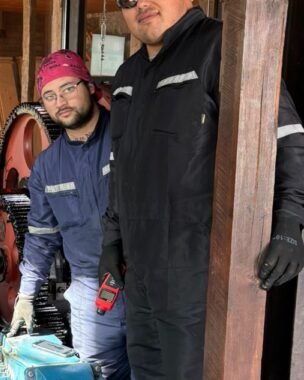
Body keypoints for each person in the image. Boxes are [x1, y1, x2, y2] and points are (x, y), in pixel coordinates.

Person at [100, 1, 304, 378]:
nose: (141, 4)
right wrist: (112, 242)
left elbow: (287, 136)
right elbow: (119, 168)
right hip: (140, 276)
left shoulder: (223, 48)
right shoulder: (127, 75)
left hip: (196, 278)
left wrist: (291, 220)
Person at [8, 50, 131, 380]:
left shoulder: (128, 136)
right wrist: (26, 295)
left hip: (145, 284)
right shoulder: (48, 167)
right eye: (49, 95)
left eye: (68, 88)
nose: (60, 100)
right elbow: (40, 236)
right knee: (96, 375)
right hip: (94, 296)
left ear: (89, 86)